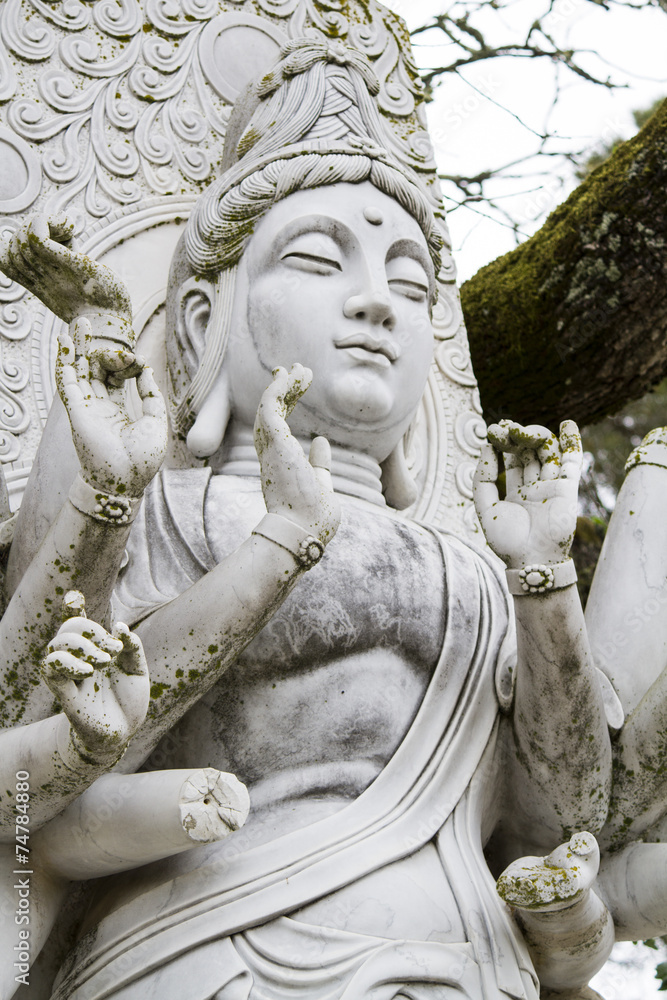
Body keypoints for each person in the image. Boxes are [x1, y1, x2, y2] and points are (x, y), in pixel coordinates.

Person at [1, 38, 612, 1000]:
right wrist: (272, 545)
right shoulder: (153, 505)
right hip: (208, 955)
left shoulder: (473, 565)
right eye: (321, 260)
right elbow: (28, 780)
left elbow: (560, 818)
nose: (376, 303)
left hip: (464, 967)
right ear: (204, 321)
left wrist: (544, 581)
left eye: (411, 286)